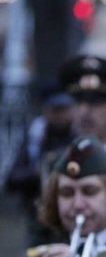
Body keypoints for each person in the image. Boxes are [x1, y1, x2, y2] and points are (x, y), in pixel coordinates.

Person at [5, 82, 75, 238]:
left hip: (72, 216)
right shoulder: (35, 136)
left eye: (64, 109)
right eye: (56, 109)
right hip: (38, 219)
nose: (60, 115)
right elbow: (12, 179)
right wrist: (40, 170)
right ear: (45, 110)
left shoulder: (79, 136)